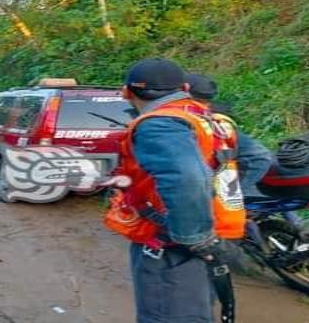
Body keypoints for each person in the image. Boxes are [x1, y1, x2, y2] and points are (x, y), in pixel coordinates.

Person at [105, 58, 246, 323]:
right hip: (219, 230)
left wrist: (194, 237)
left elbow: (187, 177)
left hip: (175, 243)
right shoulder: (210, 119)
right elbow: (241, 162)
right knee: (196, 309)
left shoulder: (158, 124)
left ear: (126, 92)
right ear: (183, 87)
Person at [186, 73, 273, 194]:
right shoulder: (208, 118)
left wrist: (230, 194)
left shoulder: (214, 122)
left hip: (219, 190)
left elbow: (259, 157)